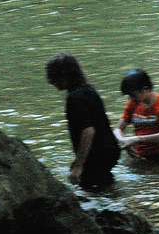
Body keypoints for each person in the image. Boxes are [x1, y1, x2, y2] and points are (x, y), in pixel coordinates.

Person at [45, 52, 120, 189]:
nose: (50, 81)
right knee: (104, 186)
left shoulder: (74, 98)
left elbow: (88, 131)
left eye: (52, 76)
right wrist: (78, 159)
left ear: (64, 76)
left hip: (97, 154)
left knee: (90, 190)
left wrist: (79, 165)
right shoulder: (89, 90)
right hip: (110, 150)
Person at [113, 69, 159, 161]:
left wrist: (136, 139)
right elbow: (117, 129)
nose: (131, 99)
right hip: (138, 156)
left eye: (133, 95)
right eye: (129, 96)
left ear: (145, 89)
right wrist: (124, 142)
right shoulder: (133, 104)